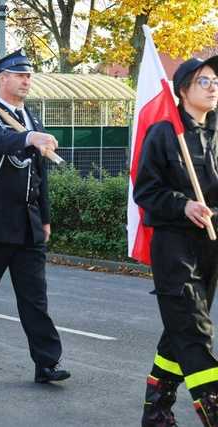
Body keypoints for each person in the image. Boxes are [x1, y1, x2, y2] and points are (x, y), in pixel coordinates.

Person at [0, 49, 70, 384]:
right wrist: (28, 137)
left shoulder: (31, 117)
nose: (26, 80)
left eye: (29, 75)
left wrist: (45, 218)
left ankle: (46, 363)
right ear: (3, 78)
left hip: (27, 225)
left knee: (35, 299)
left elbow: (40, 175)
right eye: (20, 75)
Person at [134, 56, 218, 427]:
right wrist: (182, 205)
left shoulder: (217, 131)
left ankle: (156, 410)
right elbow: (146, 191)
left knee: (179, 333)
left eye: (215, 81)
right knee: (195, 331)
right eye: (203, 81)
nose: (213, 86)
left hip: (211, 247)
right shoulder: (165, 133)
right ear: (182, 90)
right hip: (174, 248)